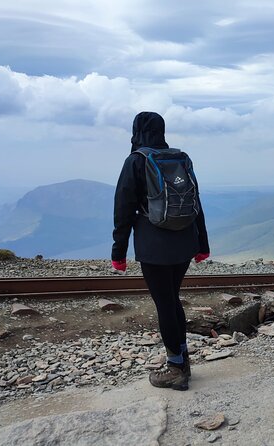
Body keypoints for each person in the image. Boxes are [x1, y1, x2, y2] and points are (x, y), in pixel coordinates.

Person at [111, 111, 210, 391]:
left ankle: (176, 369)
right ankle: (183, 361)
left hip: (155, 246)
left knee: (165, 303)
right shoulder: (180, 158)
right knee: (172, 299)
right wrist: (202, 244)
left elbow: (123, 209)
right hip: (184, 242)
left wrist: (118, 252)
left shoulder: (136, 161)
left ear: (137, 131)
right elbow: (196, 202)